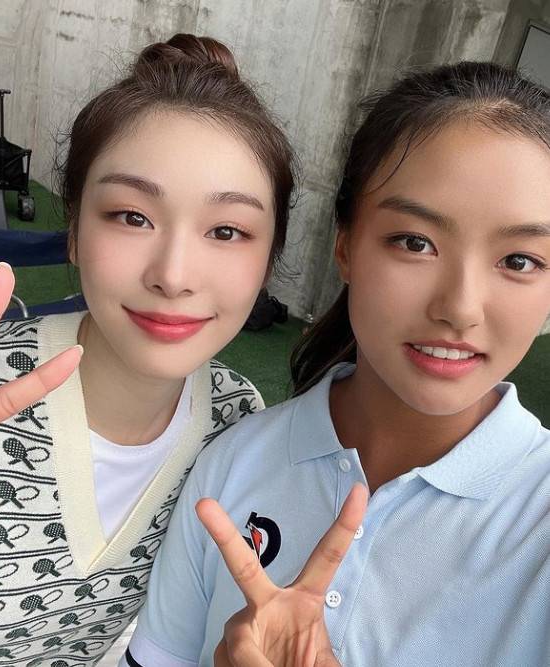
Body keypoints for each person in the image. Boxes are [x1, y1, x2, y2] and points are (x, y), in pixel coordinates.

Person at [121, 61, 550, 667]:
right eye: (415, 242)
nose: (460, 308)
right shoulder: (234, 460)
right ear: (345, 245)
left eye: (520, 261)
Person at [0, 34, 295, 665]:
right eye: (132, 216)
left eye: (226, 230)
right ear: (73, 229)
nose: (173, 275)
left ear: (269, 260)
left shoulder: (237, 422)